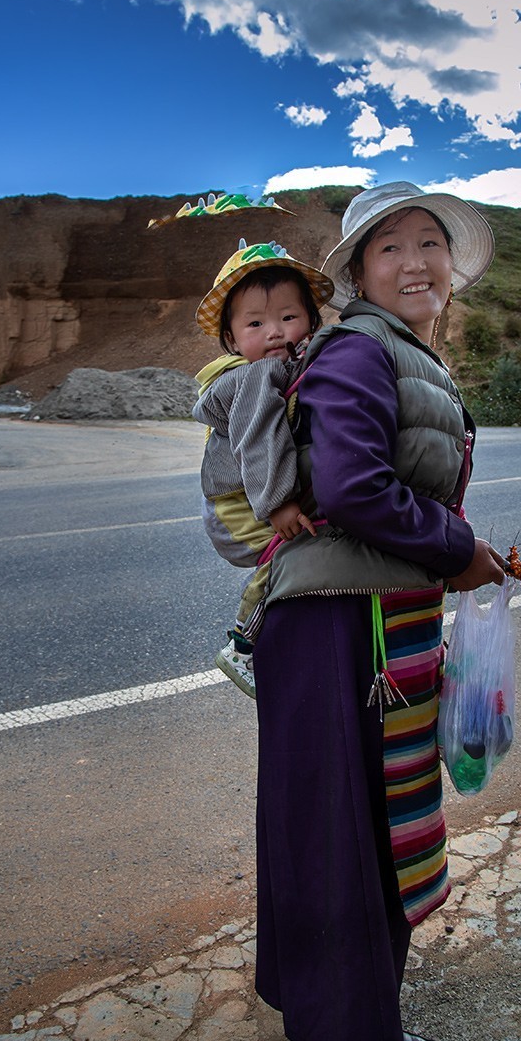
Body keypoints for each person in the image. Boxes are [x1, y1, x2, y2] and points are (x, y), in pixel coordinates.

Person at [251, 182, 506, 1041]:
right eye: (389, 246)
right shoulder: (362, 348)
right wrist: (458, 550)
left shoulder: (397, 350)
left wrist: (454, 552)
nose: (415, 261)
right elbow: (355, 489)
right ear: (359, 271)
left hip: (359, 614)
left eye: (430, 243)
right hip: (338, 624)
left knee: (330, 819)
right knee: (348, 829)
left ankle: (311, 996)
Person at [191, 239, 335, 697]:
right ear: (232, 339)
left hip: (244, 493)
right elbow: (259, 437)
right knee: (288, 555)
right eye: (255, 323)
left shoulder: (281, 368)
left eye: (288, 318)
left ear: (311, 321)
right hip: (236, 502)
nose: (274, 331)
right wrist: (279, 503)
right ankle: (244, 643)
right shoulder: (255, 377)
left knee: (297, 556)